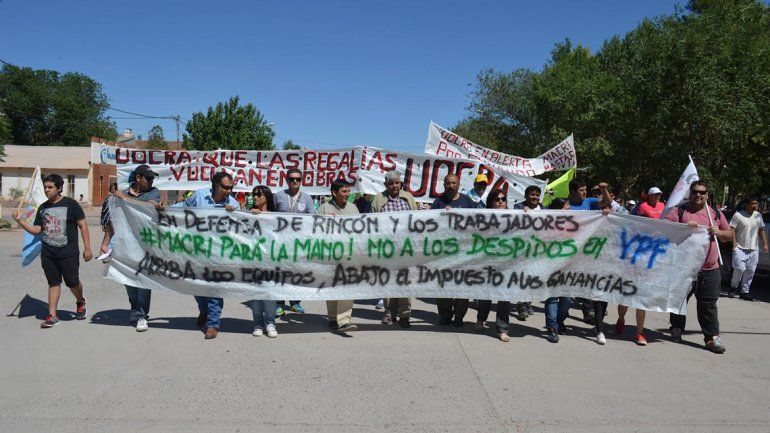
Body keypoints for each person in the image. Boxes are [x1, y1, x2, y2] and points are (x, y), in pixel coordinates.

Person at [12, 174, 92, 328]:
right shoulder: (43, 207)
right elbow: (36, 230)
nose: (47, 190)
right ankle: (52, 316)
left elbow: (83, 225)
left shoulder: (71, 205)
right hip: (48, 252)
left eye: (50, 187)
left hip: (68, 252)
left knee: (72, 282)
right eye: (45, 187)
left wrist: (87, 247)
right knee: (53, 283)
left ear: (60, 188)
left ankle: (80, 301)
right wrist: (20, 221)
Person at [168, 171, 240, 340]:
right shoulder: (199, 197)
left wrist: (234, 214)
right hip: (197, 251)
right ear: (215, 185)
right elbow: (182, 207)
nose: (229, 191)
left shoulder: (233, 204)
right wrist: (163, 208)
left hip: (220, 254)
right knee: (197, 286)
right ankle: (204, 311)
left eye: (231, 188)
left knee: (215, 289)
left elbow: (241, 228)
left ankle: (213, 324)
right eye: (225, 187)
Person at [666, 181, 732, 353]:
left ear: (707, 195)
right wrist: (682, 228)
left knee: (708, 304)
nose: (699, 195)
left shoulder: (715, 213)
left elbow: (729, 234)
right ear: (691, 193)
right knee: (679, 300)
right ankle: (677, 327)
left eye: (702, 192)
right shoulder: (680, 211)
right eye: (695, 192)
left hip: (710, 269)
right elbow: (665, 228)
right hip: (684, 268)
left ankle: (711, 338)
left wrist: (719, 232)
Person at [104, 165, 162, 332]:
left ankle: (143, 315)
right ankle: (134, 309)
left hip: (146, 245)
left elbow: (149, 206)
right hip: (126, 244)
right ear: (138, 178)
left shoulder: (153, 192)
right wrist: (105, 242)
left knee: (143, 281)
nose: (151, 181)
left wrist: (125, 200)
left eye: (152, 179)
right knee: (128, 280)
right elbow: (113, 220)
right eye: (148, 178)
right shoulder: (121, 194)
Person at [616, 186, 664, 345]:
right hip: (635, 256)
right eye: (655, 195)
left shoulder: (663, 207)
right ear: (648, 197)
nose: (657, 197)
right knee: (626, 296)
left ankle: (639, 333)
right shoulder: (642, 207)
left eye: (659, 195)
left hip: (651, 256)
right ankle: (621, 318)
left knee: (641, 297)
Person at [371, 171, 418, 327]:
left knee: (404, 282)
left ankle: (405, 315)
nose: (394, 186)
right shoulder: (379, 199)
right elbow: (371, 223)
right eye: (391, 183)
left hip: (406, 247)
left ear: (400, 183)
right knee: (389, 282)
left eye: (397, 183)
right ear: (386, 185)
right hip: (386, 249)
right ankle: (389, 313)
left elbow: (417, 221)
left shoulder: (408, 198)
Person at [568, 179, 612, 343]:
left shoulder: (590, 202)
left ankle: (594, 320)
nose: (584, 192)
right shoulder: (567, 205)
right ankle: (559, 321)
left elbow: (606, 202)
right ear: (572, 191)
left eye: (585, 190)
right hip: (571, 252)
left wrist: (604, 189)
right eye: (581, 190)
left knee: (593, 285)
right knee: (569, 286)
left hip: (591, 252)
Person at [431, 174, 476, 327]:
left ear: (459, 184)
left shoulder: (467, 201)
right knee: (443, 285)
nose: (450, 186)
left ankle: (459, 317)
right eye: (448, 183)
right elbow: (431, 225)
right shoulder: (438, 202)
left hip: (463, 253)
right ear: (444, 184)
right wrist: (442, 216)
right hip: (444, 254)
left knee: (461, 287)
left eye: (453, 183)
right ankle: (444, 315)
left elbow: (476, 223)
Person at [318, 180, 360, 334]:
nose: (347, 195)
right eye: (344, 192)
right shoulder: (324, 208)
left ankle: (344, 320)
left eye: (348, 192)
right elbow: (313, 230)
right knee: (332, 287)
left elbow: (360, 230)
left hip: (349, 255)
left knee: (347, 287)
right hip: (330, 255)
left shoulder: (353, 208)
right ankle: (332, 318)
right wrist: (325, 221)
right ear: (334, 193)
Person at [272, 168, 312, 316]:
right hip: (280, 242)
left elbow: (312, 219)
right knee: (280, 272)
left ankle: (295, 302)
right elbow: (269, 216)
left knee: (296, 272)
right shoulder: (278, 196)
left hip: (299, 243)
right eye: (291, 179)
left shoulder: (307, 198)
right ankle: (279, 303)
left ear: (302, 180)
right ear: (286, 180)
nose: (295, 181)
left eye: (298, 179)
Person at [475, 188, 513, 342]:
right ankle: (480, 321)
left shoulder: (513, 216)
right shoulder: (482, 217)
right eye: (497, 199)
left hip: (507, 263)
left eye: (503, 199)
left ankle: (502, 329)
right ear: (491, 202)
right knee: (485, 295)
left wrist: (526, 213)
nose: (501, 202)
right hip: (487, 262)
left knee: (504, 297)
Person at [246, 185, 279, 338]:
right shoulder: (248, 215)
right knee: (256, 293)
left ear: (267, 197)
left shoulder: (276, 216)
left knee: (270, 293)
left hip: (271, 261)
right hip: (254, 260)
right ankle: (258, 323)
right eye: (253, 194)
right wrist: (252, 217)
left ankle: (270, 322)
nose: (255, 197)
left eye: (259, 195)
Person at [543, 198, 573, 343]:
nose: (570, 210)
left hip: (569, 267)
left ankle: (559, 321)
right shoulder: (547, 225)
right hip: (551, 267)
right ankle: (552, 328)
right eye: (567, 208)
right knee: (553, 298)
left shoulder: (575, 224)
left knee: (566, 299)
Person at [728, 196, 768, 301]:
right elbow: (732, 229)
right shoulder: (738, 215)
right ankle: (733, 287)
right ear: (747, 204)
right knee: (739, 269)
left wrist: (765, 244)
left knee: (750, 271)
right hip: (740, 247)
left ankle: (744, 292)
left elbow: (761, 230)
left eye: (756, 204)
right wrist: (734, 244)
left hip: (754, 249)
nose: (755, 206)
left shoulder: (758, 216)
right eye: (753, 203)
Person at [512, 185, 542, 320]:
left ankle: (528, 302)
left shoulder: (545, 209)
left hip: (538, 250)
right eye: (532, 194)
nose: (535, 197)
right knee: (522, 277)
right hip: (522, 249)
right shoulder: (518, 208)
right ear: (525, 196)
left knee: (534, 278)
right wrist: (521, 214)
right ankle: (521, 305)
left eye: (537, 195)